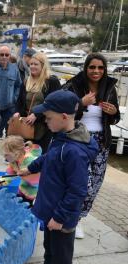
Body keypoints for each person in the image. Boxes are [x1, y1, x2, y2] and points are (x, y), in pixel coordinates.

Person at [19, 90, 98, 264]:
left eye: (48, 118)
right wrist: (31, 167)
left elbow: (77, 190)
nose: (45, 121)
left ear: (63, 117)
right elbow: (49, 157)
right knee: (50, 250)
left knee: (61, 259)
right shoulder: (61, 136)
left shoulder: (74, 152)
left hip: (61, 218)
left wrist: (60, 217)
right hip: (51, 210)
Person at [63, 53, 120, 239]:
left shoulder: (110, 89)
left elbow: (115, 118)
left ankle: (77, 219)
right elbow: (60, 109)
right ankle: (70, 218)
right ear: (86, 68)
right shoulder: (74, 85)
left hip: (101, 143)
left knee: (94, 185)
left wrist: (113, 112)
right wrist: (81, 103)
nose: (96, 71)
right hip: (78, 141)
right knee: (80, 184)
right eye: (92, 67)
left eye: (100, 68)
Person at [14, 52, 61, 152]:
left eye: (36, 64)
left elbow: (54, 103)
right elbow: (19, 101)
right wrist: (17, 112)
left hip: (44, 126)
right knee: (25, 155)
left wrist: (36, 114)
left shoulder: (51, 81)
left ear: (43, 66)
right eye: (31, 64)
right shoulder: (27, 81)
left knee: (39, 155)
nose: (32, 66)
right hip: (26, 125)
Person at [0, 136, 41, 207]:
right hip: (22, 191)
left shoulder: (30, 160)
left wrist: (24, 175)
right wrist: (0, 182)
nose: (5, 157)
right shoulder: (13, 161)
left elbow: (37, 181)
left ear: (16, 152)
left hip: (35, 195)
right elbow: (9, 176)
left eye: (6, 155)